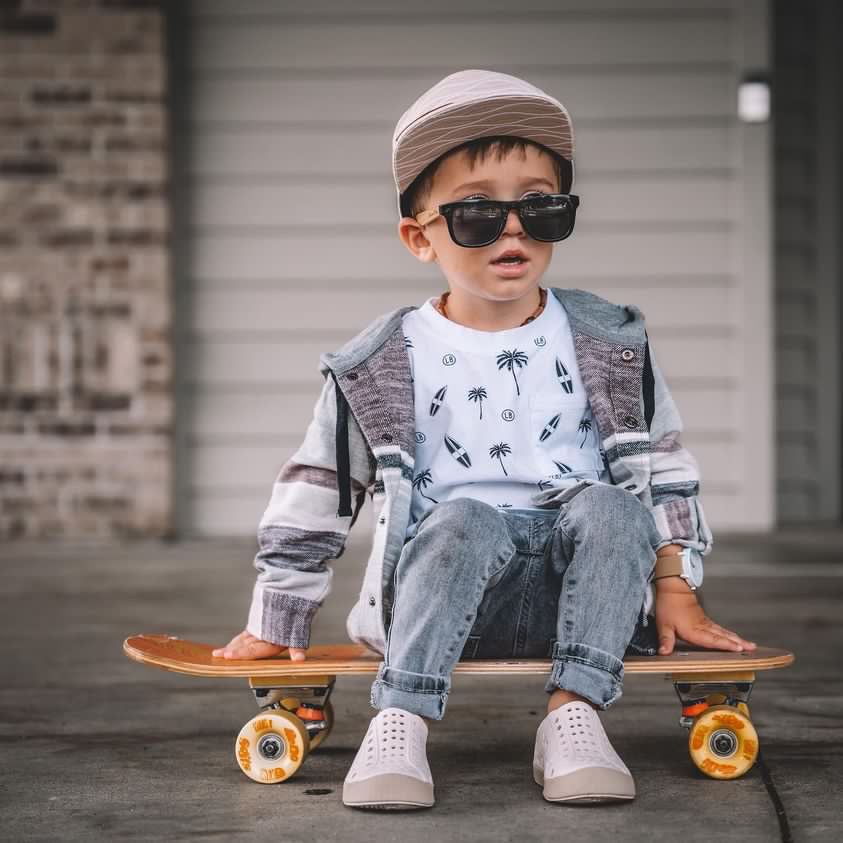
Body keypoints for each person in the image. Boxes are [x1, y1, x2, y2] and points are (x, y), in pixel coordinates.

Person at [213, 69, 756, 810]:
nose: (513, 229)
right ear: (419, 237)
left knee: (612, 508)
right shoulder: (381, 361)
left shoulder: (609, 342)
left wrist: (674, 586)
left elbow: (663, 468)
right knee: (465, 518)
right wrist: (279, 615)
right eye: (476, 213)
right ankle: (399, 720)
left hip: (585, 602)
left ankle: (573, 716)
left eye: (541, 207)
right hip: (441, 599)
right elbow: (317, 489)